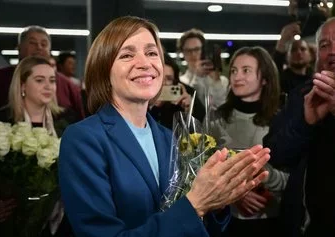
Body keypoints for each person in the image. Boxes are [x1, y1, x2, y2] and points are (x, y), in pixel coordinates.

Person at [59, 16, 271, 237]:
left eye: (152, 53)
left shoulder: (169, 138)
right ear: (104, 70)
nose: (145, 63)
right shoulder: (83, 139)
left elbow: (200, 225)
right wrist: (196, 204)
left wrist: (216, 199)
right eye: (127, 55)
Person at [0, 56, 73, 237]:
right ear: (22, 85)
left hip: (57, 223)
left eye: (52, 80)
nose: (48, 86)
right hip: (9, 224)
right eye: (40, 80)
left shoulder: (68, 124)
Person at [263, 17, 335, 236]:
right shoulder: (303, 95)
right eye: (325, 45)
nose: (332, 51)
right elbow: (274, 153)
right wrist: (305, 123)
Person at [213, 46, 288, 237]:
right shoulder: (215, 119)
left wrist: (264, 176)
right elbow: (203, 169)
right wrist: (235, 195)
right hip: (226, 222)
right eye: (233, 71)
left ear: (264, 78)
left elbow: (292, 177)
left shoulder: (282, 121)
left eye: (246, 70)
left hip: (270, 221)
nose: (237, 77)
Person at [0, 25, 84, 123]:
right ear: (18, 48)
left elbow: (80, 121)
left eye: (44, 44)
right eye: (32, 43)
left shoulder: (67, 85)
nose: (39, 47)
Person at [149, 53, 205, 129]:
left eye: (169, 79)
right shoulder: (140, 97)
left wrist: (189, 110)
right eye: (159, 76)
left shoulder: (186, 93)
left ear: (175, 81)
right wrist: (150, 106)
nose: (163, 83)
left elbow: (200, 129)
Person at [177, 28, 229, 109]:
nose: (193, 54)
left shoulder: (222, 81)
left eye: (197, 49)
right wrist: (197, 77)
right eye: (188, 50)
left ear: (204, 50)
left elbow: (222, 106)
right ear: (182, 52)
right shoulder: (180, 82)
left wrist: (216, 79)